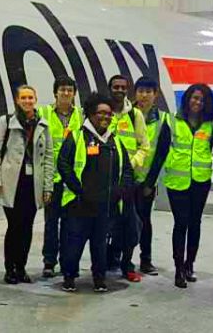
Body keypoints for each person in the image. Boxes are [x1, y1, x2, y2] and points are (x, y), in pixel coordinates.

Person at [57, 92, 134, 293]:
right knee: (73, 242)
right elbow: (63, 164)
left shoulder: (115, 141)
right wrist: (78, 189)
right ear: (91, 114)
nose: (105, 117)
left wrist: (120, 190)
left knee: (100, 245)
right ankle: (69, 277)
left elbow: (126, 169)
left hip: (105, 204)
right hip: (79, 203)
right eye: (101, 113)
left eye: (109, 114)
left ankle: (99, 279)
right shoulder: (76, 136)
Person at [144, 83, 213, 289]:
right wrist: (150, 181)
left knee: (195, 223)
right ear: (187, 99)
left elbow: (211, 149)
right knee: (181, 223)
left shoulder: (211, 124)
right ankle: (178, 269)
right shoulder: (172, 122)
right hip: (177, 182)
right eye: (194, 98)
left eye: (201, 100)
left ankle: (189, 265)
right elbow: (161, 153)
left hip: (200, 182)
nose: (197, 102)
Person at [0, 85, 55, 284]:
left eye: (30, 98)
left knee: (27, 227)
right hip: (11, 182)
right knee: (14, 226)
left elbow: (49, 157)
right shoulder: (7, 121)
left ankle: (21, 267)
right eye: (23, 98)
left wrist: (47, 186)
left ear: (35, 99)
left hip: (32, 183)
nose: (27, 101)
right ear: (17, 100)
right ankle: (10, 268)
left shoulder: (43, 124)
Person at [105, 74, 149, 283]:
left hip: (129, 178)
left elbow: (144, 146)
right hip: (105, 177)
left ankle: (127, 263)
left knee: (130, 221)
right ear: (109, 88)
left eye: (123, 87)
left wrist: (131, 164)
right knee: (105, 222)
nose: (119, 90)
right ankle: (105, 259)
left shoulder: (135, 115)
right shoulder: (102, 112)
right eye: (116, 87)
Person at [37, 76, 82, 279]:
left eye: (70, 90)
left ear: (74, 94)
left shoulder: (81, 116)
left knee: (71, 224)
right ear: (55, 92)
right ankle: (49, 262)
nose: (66, 93)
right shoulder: (43, 113)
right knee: (50, 222)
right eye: (62, 89)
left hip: (72, 179)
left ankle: (68, 262)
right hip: (52, 178)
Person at [132, 76, 170, 275]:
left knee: (145, 220)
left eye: (148, 91)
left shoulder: (163, 119)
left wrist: (150, 182)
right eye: (140, 91)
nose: (144, 95)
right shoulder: (125, 115)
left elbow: (161, 153)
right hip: (126, 179)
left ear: (155, 95)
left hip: (147, 180)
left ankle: (145, 260)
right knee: (121, 220)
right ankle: (119, 258)